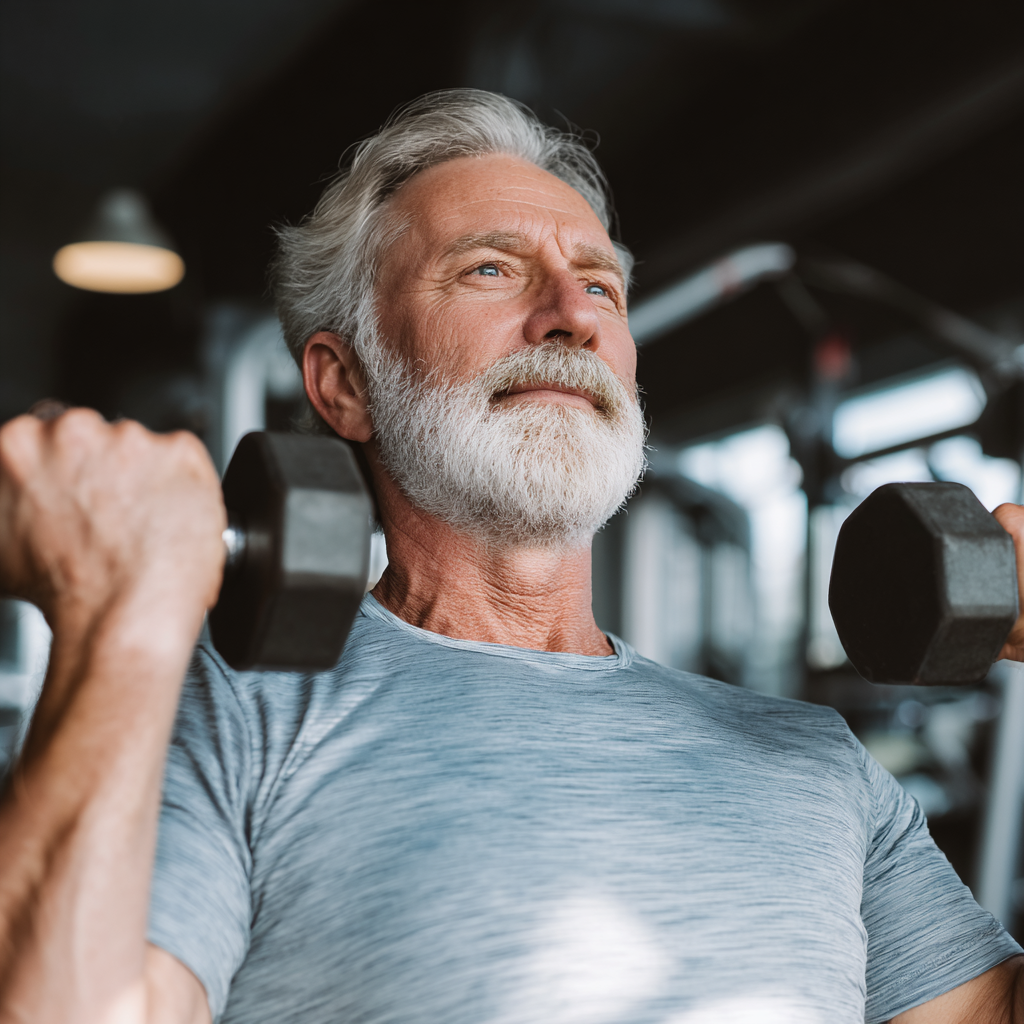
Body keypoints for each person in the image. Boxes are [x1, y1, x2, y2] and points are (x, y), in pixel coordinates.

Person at [0, 89, 1022, 1024]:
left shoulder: (817, 761)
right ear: (343, 383)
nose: (572, 316)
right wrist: (115, 612)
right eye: (490, 268)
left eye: (601, 287)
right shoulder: (232, 714)